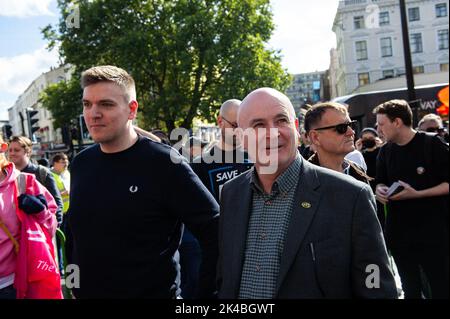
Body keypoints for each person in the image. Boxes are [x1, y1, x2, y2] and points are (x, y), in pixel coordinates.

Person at [218, 88, 397, 299]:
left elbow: (376, 288)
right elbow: (224, 276)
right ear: (241, 138)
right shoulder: (231, 194)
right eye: (258, 125)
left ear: (295, 128)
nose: (273, 132)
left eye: (281, 120)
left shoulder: (351, 196)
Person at [66, 65, 219, 298]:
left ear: (131, 110)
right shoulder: (80, 164)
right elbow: (75, 235)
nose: (93, 113)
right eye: (87, 104)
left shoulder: (165, 163)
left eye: (106, 104)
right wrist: (74, 285)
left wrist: (204, 295)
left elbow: (214, 230)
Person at [374, 99, 449, 299]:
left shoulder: (431, 144)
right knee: (410, 288)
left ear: (397, 122)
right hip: (400, 234)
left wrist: (418, 194)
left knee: (440, 285)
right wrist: (380, 191)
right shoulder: (386, 151)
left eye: (381, 124)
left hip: (433, 232)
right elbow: (380, 182)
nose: (378, 130)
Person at [0, 136, 58, 299]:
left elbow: (52, 227)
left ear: (2, 147)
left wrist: (41, 211)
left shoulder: (24, 182)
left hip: (11, 284)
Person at [304, 102, 371, 184]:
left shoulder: (358, 172)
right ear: (315, 137)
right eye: (341, 128)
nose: (351, 132)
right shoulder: (304, 182)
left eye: (351, 125)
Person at [7, 136, 63, 227]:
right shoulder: (6, 175)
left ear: (28, 152)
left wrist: (53, 228)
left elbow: (57, 204)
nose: (12, 153)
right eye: (10, 150)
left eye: (16, 150)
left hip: (39, 233)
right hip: (14, 234)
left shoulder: (42, 173)